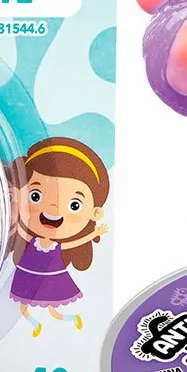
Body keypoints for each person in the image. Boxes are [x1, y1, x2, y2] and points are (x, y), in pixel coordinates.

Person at [8, 138, 110, 337]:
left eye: (74, 205)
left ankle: (69, 319)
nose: (53, 209)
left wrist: (94, 233)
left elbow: (74, 242)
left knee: (51, 307)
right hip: (27, 273)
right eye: (35, 196)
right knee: (22, 305)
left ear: (95, 213)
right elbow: (20, 229)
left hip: (50, 276)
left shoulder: (56, 244)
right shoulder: (28, 234)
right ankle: (34, 324)